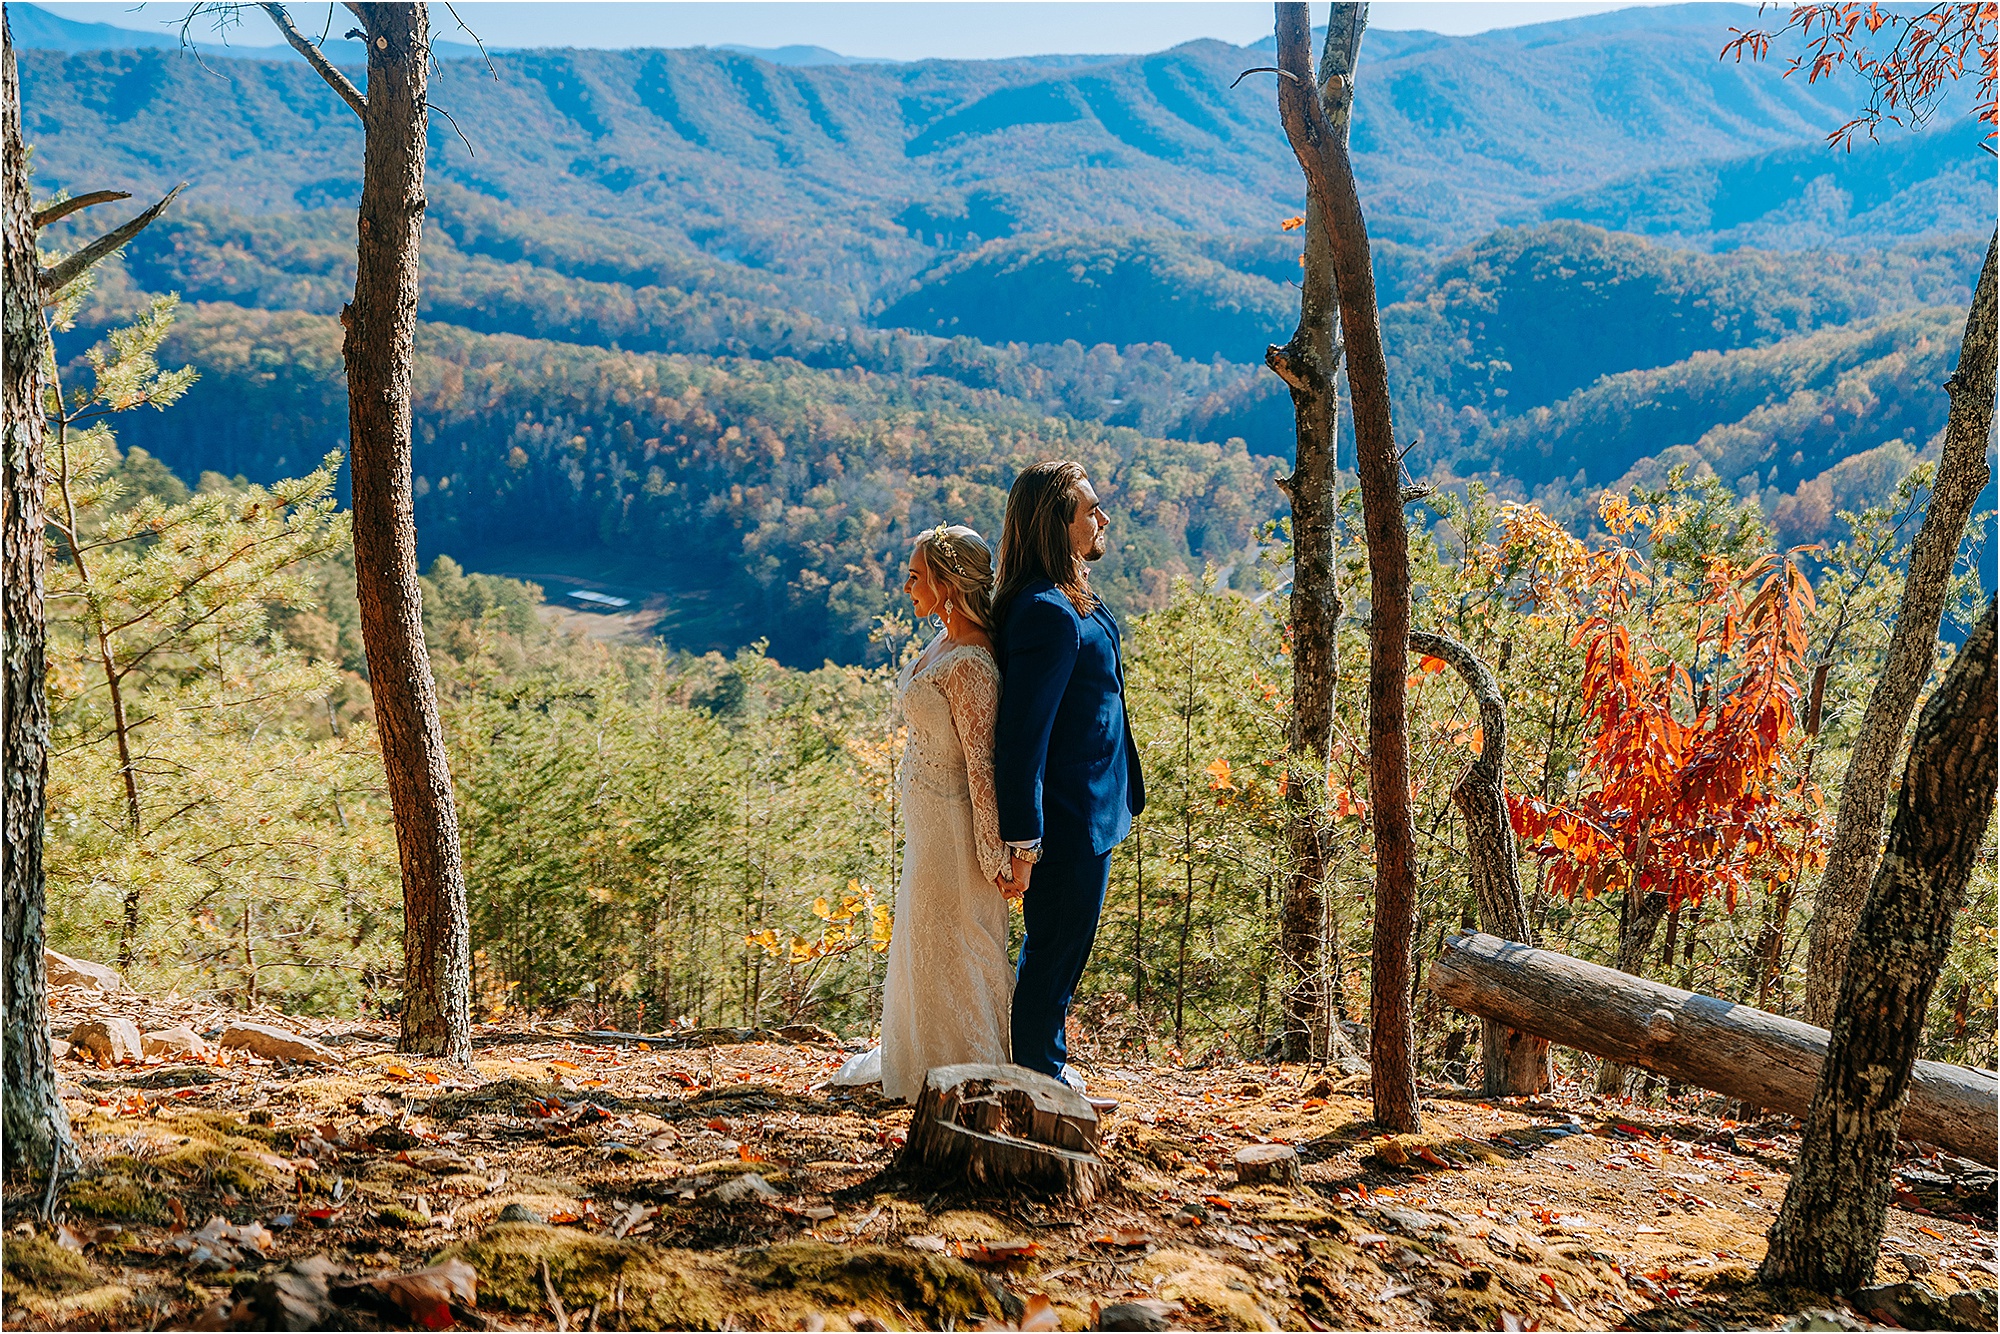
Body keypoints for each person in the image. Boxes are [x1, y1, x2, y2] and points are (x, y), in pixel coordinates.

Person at [830, 524, 1016, 1101]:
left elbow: (983, 767)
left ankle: (968, 1071)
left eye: (915, 576)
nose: (905, 585)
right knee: (925, 940)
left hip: (955, 832)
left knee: (953, 941)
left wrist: (996, 855)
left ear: (947, 583)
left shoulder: (971, 663)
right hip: (926, 822)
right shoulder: (942, 641)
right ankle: (925, 1060)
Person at [992, 461, 1144, 1104]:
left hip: (1099, 806)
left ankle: (1041, 1064)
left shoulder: (1068, 593)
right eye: (1090, 510)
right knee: (1054, 951)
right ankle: (1038, 1078)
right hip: (1068, 817)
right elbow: (1023, 737)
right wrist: (1023, 841)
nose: (1102, 519)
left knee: (1061, 949)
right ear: (1057, 524)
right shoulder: (1045, 613)